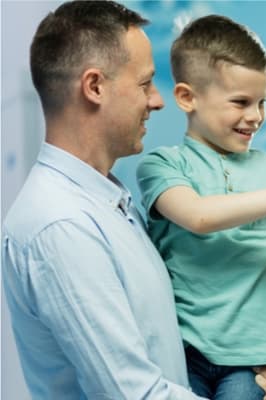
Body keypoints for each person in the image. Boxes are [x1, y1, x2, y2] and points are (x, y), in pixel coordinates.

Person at [1, 1, 202, 398]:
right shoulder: (61, 225)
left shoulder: (109, 205)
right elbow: (134, 394)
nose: (157, 100)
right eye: (145, 83)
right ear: (94, 87)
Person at [136, 15, 266, 400]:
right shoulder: (163, 166)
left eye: (262, 102)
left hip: (258, 364)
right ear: (188, 97)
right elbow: (199, 217)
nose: (255, 116)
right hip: (181, 353)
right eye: (240, 102)